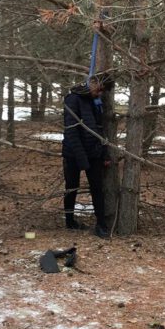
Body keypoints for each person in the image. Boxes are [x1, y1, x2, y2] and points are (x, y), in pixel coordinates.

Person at [62, 74, 112, 238]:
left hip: (94, 153)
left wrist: (104, 154)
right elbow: (71, 131)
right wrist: (82, 159)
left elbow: (99, 130)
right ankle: (70, 221)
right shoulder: (72, 99)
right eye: (99, 89)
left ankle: (101, 225)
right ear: (92, 83)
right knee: (71, 187)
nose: (100, 94)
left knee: (97, 189)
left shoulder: (95, 102)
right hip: (73, 154)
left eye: (102, 91)